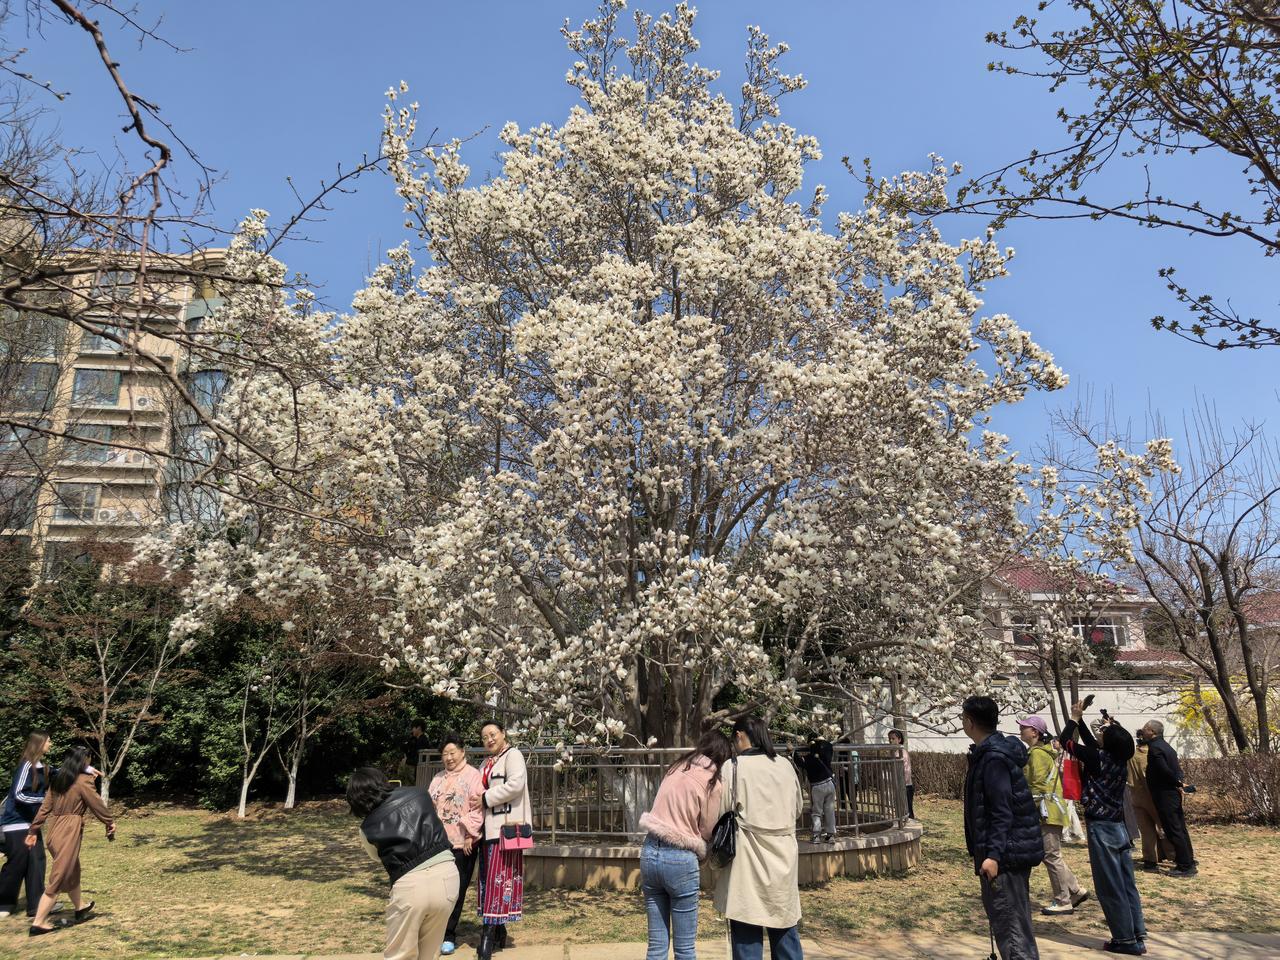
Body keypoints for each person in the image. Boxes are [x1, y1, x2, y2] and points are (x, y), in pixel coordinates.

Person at [714, 717, 805, 960]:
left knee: (746, 928)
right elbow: (797, 808)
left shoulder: (732, 767)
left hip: (747, 856)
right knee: (784, 926)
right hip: (783, 854)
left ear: (740, 735)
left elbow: (721, 812)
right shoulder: (785, 765)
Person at [961, 696, 1044, 960]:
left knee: (1012, 929)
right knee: (1013, 924)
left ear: (970, 722)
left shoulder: (994, 758)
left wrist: (993, 855)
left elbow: (1001, 810)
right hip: (1008, 850)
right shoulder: (990, 753)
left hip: (1005, 855)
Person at [637, 729, 731, 960]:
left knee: (656, 947)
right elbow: (707, 829)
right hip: (680, 857)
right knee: (685, 949)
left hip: (650, 851)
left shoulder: (677, 766)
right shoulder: (712, 781)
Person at [1061, 703, 1147, 955]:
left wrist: (1074, 720)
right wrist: (1082, 720)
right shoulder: (1119, 759)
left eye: (1103, 735)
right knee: (1126, 883)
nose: (1099, 735)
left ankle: (1125, 939)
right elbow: (1092, 745)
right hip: (1119, 828)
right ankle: (1136, 933)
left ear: (1107, 744)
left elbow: (1067, 741)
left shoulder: (1098, 758)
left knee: (1110, 885)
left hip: (1102, 830)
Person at [347, 766, 458, 960]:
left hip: (411, 886)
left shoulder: (367, 828)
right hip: (447, 875)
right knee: (430, 954)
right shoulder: (420, 793)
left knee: (400, 955)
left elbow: (376, 856)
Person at [25, 746, 114, 937]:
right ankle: (39, 922)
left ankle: (80, 907)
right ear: (85, 761)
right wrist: (109, 821)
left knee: (72, 868)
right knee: (60, 875)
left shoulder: (58, 780)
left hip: (54, 831)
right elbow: (96, 803)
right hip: (69, 831)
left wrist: (34, 829)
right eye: (89, 760)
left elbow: (44, 808)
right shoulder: (83, 781)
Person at [467, 720, 530, 960]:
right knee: (486, 880)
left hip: (505, 830)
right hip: (487, 831)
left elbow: (515, 785)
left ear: (503, 734)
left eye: (493, 734)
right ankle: (499, 930)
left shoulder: (513, 756)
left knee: (497, 881)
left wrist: (486, 798)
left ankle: (487, 935)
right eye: (484, 737)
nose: (489, 739)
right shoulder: (485, 763)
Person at [1017, 716, 1089, 916]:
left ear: (1035, 732)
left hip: (1046, 811)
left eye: (1025, 727)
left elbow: (1037, 784)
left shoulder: (1038, 754)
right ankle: (1075, 890)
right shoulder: (1038, 752)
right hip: (1048, 810)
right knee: (1051, 854)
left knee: (1051, 855)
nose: (1021, 729)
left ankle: (1063, 900)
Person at [427, 733, 484, 955]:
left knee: (457, 890)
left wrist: (471, 834)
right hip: (439, 843)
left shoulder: (473, 776)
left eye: (452, 752)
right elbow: (430, 807)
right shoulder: (438, 777)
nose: (449, 757)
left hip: (463, 843)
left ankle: (449, 934)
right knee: (438, 890)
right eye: (445, 754)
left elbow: (477, 808)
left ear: (462, 752)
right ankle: (435, 932)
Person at [1, 733, 52, 922]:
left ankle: (36, 905)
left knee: (37, 862)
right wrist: (44, 801)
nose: (50, 744)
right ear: (39, 744)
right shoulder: (26, 767)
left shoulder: (43, 768)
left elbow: (64, 772)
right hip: (15, 824)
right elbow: (20, 795)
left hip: (31, 826)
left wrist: (85, 768)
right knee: (17, 863)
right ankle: (4, 903)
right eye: (48, 741)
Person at [1141, 720, 1197, 878]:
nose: (1143, 731)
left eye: (1145, 729)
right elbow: (1176, 769)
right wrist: (1179, 783)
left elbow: (1163, 770)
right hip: (1172, 793)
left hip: (1164, 794)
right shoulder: (1166, 746)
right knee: (1180, 827)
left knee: (1174, 830)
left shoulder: (1155, 748)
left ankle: (1185, 866)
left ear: (1152, 731)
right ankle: (1188, 860)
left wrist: (1178, 783)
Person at [1127, 731, 1171, 872]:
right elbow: (1148, 777)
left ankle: (1150, 859)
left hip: (1135, 796)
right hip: (1150, 796)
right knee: (1163, 826)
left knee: (1146, 831)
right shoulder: (1148, 755)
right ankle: (1172, 855)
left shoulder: (1131, 755)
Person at [797, 734, 837, 843]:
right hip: (830, 783)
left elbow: (798, 761)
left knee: (816, 811)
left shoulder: (808, 758)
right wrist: (821, 740)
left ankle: (816, 835)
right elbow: (828, 744)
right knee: (829, 810)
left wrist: (792, 751)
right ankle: (831, 835)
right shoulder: (826, 754)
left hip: (817, 786)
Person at [887, 729, 914, 821]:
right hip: (899, 785)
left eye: (893, 738)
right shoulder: (895, 752)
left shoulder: (902, 753)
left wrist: (901, 783)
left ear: (899, 739)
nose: (891, 741)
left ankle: (911, 825)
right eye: (890, 738)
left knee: (907, 809)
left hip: (905, 786)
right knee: (901, 809)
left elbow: (907, 771)